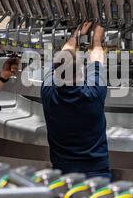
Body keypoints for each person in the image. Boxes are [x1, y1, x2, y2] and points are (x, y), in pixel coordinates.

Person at [41, 22, 110, 179]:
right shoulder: (93, 93)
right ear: (81, 73)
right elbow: (97, 58)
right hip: (96, 174)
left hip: (61, 175)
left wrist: (75, 35)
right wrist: (97, 38)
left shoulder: (48, 91)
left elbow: (62, 58)